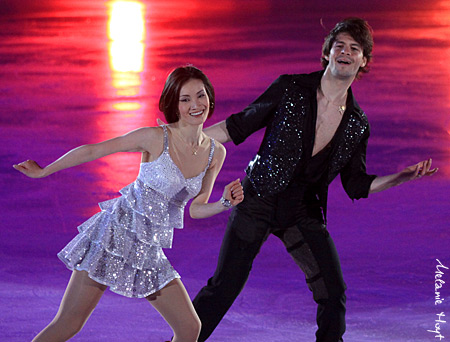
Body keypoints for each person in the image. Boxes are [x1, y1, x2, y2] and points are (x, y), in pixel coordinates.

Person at [190, 18, 438, 342]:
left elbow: (356, 184)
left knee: (333, 292)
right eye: (340, 46)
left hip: (302, 211)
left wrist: (400, 177)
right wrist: (184, 145)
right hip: (258, 196)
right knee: (225, 285)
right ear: (327, 51)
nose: (345, 53)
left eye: (355, 49)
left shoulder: (356, 123)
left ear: (364, 60)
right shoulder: (291, 88)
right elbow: (236, 127)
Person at [13, 65, 244, 342]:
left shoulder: (215, 153)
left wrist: (225, 204)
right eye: (185, 99)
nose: (196, 105)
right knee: (69, 323)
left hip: (148, 249)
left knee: (189, 328)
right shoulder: (156, 137)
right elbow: (95, 150)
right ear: (174, 103)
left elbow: (195, 207)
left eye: (201, 96)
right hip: (113, 237)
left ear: (210, 98)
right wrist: (45, 170)